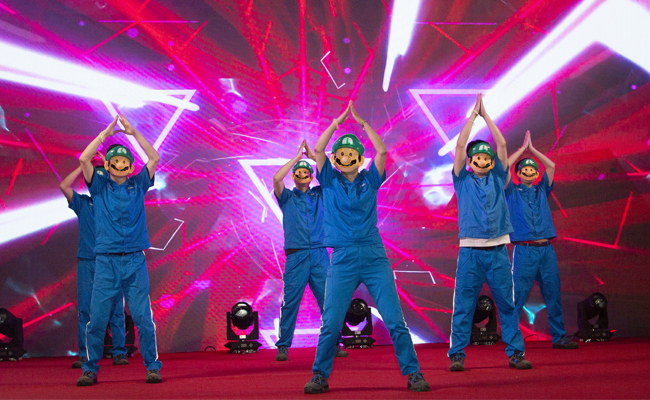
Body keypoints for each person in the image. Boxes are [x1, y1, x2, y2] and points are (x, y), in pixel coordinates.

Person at [304, 101, 429, 394]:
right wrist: (336, 123)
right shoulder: (328, 180)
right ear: (336, 159)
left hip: (374, 258)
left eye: (352, 153)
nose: (346, 157)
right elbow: (319, 150)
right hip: (342, 259)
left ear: (360, 159)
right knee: (331, 323)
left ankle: (413, 373)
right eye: (341, 153)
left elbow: (382, 152)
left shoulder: (370, 180)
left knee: (395, 320)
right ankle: (320, 375)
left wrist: (362, 124)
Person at [76, 115, 162, 386]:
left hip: (135, 260)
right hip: (105, 262)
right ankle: (90, 369)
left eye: (126, 161)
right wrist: (104, 135)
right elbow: (84, 159)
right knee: (97, 320)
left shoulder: (138, 184)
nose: (121, 164)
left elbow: (154, 157)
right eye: (117, 160)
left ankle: (152, 366)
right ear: (108, 165)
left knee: (143, 318)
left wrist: (134, 133)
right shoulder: (99, 187)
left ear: (130, 165)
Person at [449, 94, 531, 372]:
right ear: (471, 161)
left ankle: (515, 353)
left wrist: (487, 117)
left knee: (507, 304)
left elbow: (503, 145)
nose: (482, 160)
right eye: (478, 157)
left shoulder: (498, 177)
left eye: (487, 157)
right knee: (463, 305)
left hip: (497, 251)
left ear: (492, 161)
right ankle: (457, 354)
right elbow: (460, 145)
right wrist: (473, 117)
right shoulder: (462, 179)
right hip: (470, 252)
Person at [273, 140, 348, 361]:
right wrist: (297, 158)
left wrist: (314, 158)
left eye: (307, 171)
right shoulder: (287, 197)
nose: (303, 174)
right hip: (296, 256)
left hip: (319, 255)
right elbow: (276, 179)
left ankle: (334, 343)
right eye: (299, 172)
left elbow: (335, 178)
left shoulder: (320, 194)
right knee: (290, 302)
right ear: (294, 176)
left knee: (328, 302)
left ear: (311, 176)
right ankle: (283, 346)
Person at [505, 131, 578, 350]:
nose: (529, 172)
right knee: (517, 296)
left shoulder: (541, 189)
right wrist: (521, 150)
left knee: (553, 294)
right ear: (519, 173)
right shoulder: (512, 191)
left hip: (546, 250)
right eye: (525, 169)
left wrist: (533, 150)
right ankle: (512, 340)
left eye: (533, 169)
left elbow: (552, 166)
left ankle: (559, 337)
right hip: (524, 250)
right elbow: (503, 168)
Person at [60, 154, 128, 369]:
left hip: (112, 261)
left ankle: (119, 351)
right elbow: (63, 186)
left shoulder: (116, 203)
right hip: (88, 262)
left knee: (116, 308)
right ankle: (85, 353)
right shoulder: (83, 203)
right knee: (86, 310)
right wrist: (83, 166)